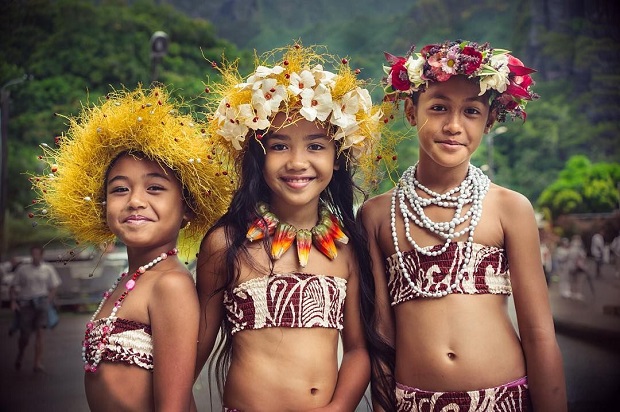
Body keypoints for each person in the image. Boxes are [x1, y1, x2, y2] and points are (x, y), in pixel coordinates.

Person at [361, 39, 567, 411]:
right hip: (413, 402)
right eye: (438, 107)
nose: (453, 125)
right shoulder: (377, 216)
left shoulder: (510, 209)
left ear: (489, 122)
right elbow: (381, 337)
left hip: (504, 397)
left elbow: (538, 334)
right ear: (411, 112)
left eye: (471, 111)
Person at [194, 43, 396, 411]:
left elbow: (356, 352)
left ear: (338, 158)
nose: (298, 162)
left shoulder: (347, 250)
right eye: (279, 146)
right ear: (258, 155)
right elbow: (192, 351)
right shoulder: (226, 244)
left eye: (316, 146)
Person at [29, 86, 231, 410]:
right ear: (103, 204)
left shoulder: (171, 285)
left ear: (187, 209)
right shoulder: (131, 279)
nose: (135, 201)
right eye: (120, 189)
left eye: (155, 188)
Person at [9, 245, 61, 372]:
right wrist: (13, 302)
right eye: (33, 254)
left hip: (41, 302)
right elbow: (13, 286)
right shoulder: (23, 269)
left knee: (40, 333)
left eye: (37, 254)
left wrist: (49, 299)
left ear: (42, 255)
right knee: (25, 335)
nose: (35, 256)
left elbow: (54, 285)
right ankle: (20, 354)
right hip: (26, 303)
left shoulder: (47, 269)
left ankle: (37, 363)